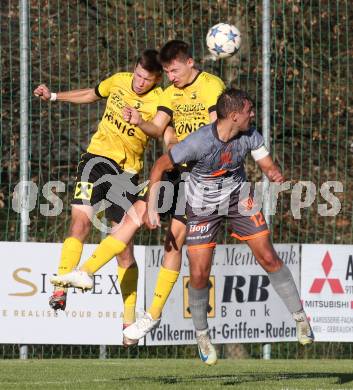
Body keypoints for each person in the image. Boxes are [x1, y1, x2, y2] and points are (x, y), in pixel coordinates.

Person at [50, 40, 225, 341]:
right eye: (166, 72)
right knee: (113, 219)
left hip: (181, 174)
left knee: (159, 243)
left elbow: (205, 129)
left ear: (188, 64)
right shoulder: (148, 88)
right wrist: (142, 122)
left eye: (171, 71)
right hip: (135, 164)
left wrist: (178, 142)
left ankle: (141, 317)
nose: (169, 77)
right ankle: (76, 277)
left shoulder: (194, 89)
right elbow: (160, 128)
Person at [142, 88, 314, 365]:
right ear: (234, 116)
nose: (252, 114)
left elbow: (266, 163)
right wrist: (151, 207)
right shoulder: (197, 142)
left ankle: (300, 319)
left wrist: (274, 174)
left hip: (238, 199)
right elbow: (159, 166)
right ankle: (202, 335)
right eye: (249, 111)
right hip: (201, 208)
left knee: (268, 257)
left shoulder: (249, 135)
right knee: (198, 275)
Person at [34, 49, 163, 346]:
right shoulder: (119, 81)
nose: (140, 82)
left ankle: (128, 322)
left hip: (126, 173)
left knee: (124, 247)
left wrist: (139, 121)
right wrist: (54, 96)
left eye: (147, 79)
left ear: (158, 80)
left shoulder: (160, 100)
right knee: (80, 221)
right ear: (135, 69)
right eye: (138, 75)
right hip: (94, 161)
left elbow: (158, 131)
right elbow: (92, 94)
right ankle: (61, 286)